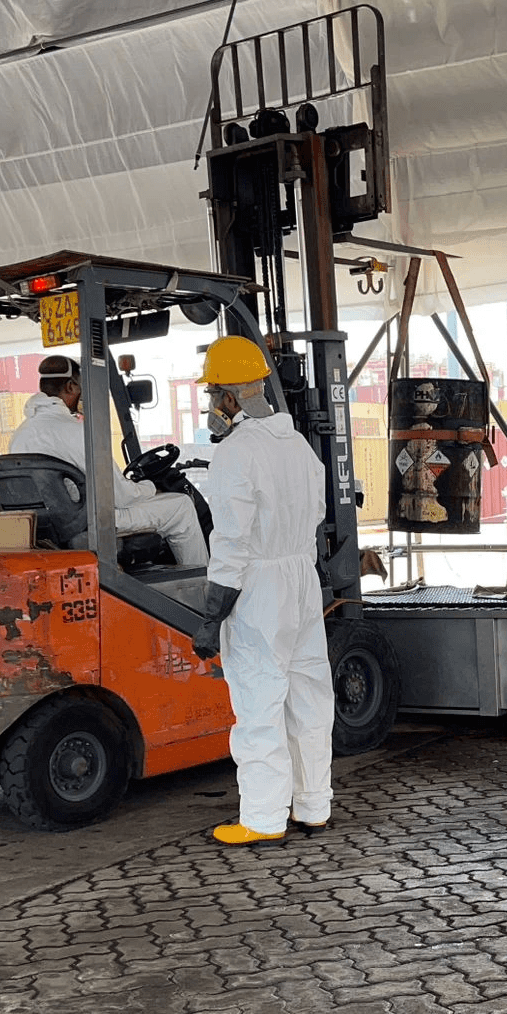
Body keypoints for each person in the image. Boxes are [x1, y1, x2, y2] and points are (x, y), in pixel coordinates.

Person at [191, 336, 334, 846]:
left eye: (214, 395)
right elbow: (317, 515)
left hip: (259, 587)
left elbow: (231, 541)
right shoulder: (297, 445)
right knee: (309, 696)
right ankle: (313, 805)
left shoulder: (235, 454)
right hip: (300, 578)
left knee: (259, 700)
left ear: (232, 397)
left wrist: (213, 615)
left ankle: (264, 817)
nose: (212, 405)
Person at [9, 355, 207, 566]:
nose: (84, 395)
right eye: (81, 388)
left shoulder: (19, 435)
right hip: (89, 524)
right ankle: (203, 587)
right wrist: (151, 488)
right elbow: (121, 497)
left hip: (47, 527)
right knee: (181, 507)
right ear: (70, 386)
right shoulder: (77, 432)